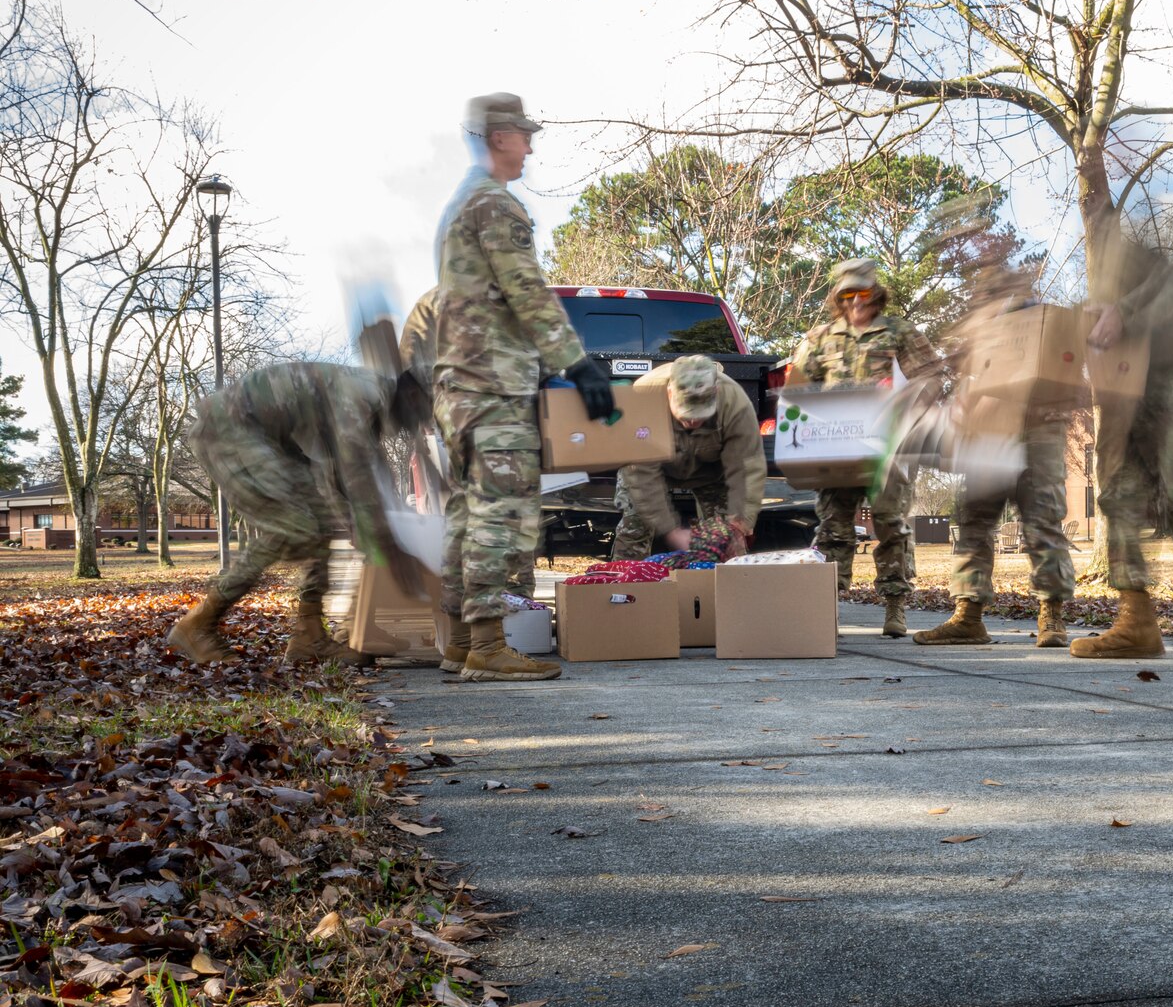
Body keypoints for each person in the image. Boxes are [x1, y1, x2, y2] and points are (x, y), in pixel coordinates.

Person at [434, 92, 616, 682]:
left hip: (460, 387)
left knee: (465, 511)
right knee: (499, 512)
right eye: (524, 134)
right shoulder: (496, 204)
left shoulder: (460, 202)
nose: (531, 146)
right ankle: (487, 648)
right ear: (498, 136)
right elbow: (527, 291)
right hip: (491, 387)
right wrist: (576, 363)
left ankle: (461, 641)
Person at [166, 363, 433, 666]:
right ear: (412, 395)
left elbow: (341, 475)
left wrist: (359, 522)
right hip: (231, 428)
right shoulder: (364, 394)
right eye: (426, 410)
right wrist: (387, 543)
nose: (423, 423)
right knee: (293, 528)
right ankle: (198, 624)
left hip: (270, 440)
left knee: (321, 525)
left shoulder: (370, 410)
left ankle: (309, 635)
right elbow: (356, 469)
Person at [1069, 218, 1173, 664]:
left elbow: (1170, 293)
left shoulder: (1171, 272)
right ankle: (1136, 621)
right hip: (1130, 390)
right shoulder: (1108, 274)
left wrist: (1122, 312)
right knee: (1119, 498)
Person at [913, 194, 1076, 648]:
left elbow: (1064, 366)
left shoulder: (1036, 316)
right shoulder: (979, 319)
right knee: (975, 519)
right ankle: (969, 615)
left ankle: (1053, 617)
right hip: (989, 432)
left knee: (1042, 519)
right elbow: (968, 371)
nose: (982, 289)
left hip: (1039, 428)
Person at [788, 257, 942, 636]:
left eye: (864, 293)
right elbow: (796, 392)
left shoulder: (898, 331)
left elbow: (933, 376)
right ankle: (828, 610)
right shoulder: (819, 338)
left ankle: (894, 607)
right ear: (839, 298)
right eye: (848, 294)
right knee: (833, 530)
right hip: (836, 448)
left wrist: (907, 411)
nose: (857, 301)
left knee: (891, 525)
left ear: (877, 295)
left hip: (888, 446)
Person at [609, 355, 765, 559]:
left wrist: (740, 521)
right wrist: (671, 530)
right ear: (670, 392)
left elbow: (748, 467)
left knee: (728, 540)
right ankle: (625, 587)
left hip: (711, 471)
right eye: (685, 411)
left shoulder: (735, 402)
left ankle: (727, 588)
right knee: (635, 527)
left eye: (700, 413)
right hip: (654, 469)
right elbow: (640, 474)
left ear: (716, 393)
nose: (692, 419)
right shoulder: (643, 396)